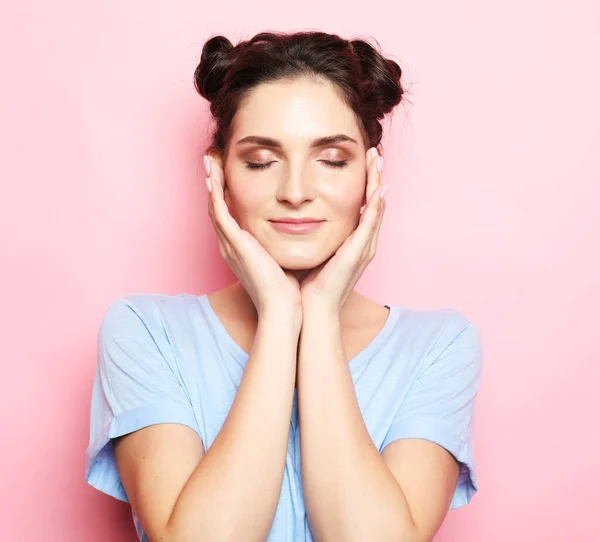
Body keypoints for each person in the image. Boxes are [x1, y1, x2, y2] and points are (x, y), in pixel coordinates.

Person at [85, 31, 483, 542]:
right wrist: (278, 313)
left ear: (371, 174)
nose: (295, 192)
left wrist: (317, 313)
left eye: (333, 160)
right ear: (219, 172)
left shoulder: (439, 345)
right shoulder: (145, 331)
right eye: (260, 161)